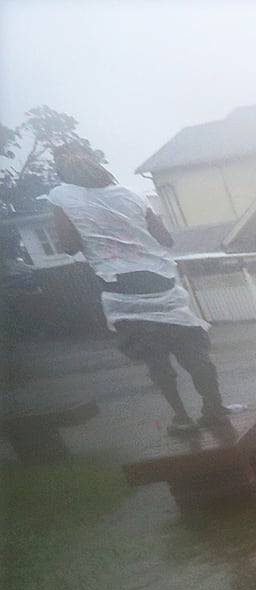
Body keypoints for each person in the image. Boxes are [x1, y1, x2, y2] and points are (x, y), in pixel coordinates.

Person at [48, 145, 229, 435]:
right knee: (193, 352)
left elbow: (68, 247)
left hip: (121, 288)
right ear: (99, 168)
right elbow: (165, 239)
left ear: (64, 173)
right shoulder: (130, 195)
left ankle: (182, 418)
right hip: (161, 281)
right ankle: (215, 408)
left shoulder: (61, 196)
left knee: (155, 358)